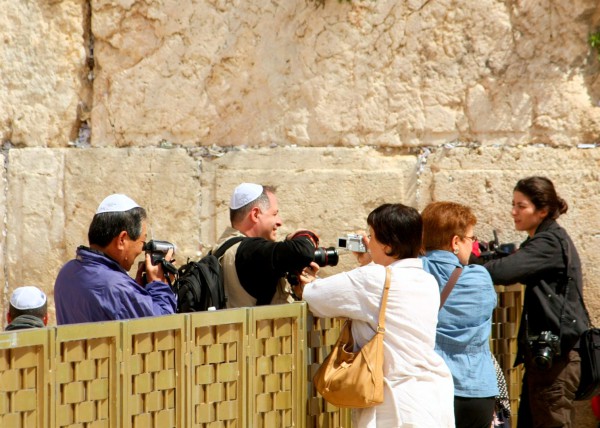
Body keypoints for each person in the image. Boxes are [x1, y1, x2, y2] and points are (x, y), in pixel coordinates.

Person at [299, 203, 455, 427]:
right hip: (433, 395)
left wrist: (308, 281)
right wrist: (369, 263)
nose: (368, 243)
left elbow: (315, 297)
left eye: (371, 237)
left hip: (398, 404)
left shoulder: (373, 278)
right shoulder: (426, 280)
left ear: (388, 245)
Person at [481, 176, 588, 428]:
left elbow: (504, 272)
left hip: (557, 361)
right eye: (514, 204)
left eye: (521, 206)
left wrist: (469, 264)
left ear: (543, 210)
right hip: (548, 359)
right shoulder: (544, 239)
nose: (514, 212)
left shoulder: (549, 242)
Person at [420, 201, 499, 428]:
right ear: (455, 242)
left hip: (431, 386)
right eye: (471, 239)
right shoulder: (479, 277)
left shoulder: (414, 271)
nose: (473, 245)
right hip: (477, 389)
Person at [54, 194, 177, 324]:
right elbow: (164, 327)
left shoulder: (66, 272)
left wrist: (136, 290)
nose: (142, 250)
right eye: (143, 242)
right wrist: (159, 284)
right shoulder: (117, 288)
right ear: (122, 239)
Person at [213, 183, 319, 308]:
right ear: (255, 214)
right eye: (274, 214)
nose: (280, 222)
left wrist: (298, 290)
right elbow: (302, 251)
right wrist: (306, 235)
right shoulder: (249, 251)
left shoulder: (222, 248)